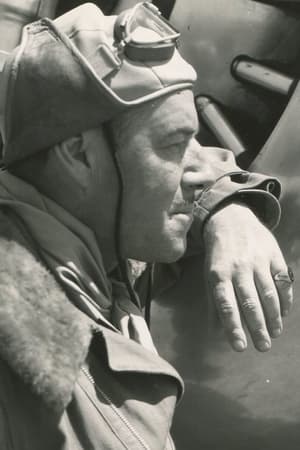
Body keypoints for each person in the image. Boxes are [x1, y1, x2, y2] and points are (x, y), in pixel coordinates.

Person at [0, 3, 293, 449]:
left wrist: (228, 211)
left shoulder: (99, 241)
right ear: (78, 156)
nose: (196, 171)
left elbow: (185, 172)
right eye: (174, 144)